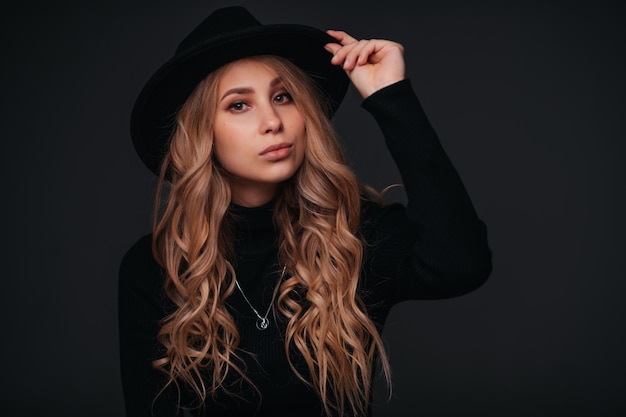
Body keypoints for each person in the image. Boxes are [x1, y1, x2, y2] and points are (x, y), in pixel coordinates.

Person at [118, 5, 492, 417]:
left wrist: (392, 98)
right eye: (239, 105)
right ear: (201, 134)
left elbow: (462, 263)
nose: (273, 121)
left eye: (283, 97)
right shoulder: (155, 267)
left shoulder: (353, 235)